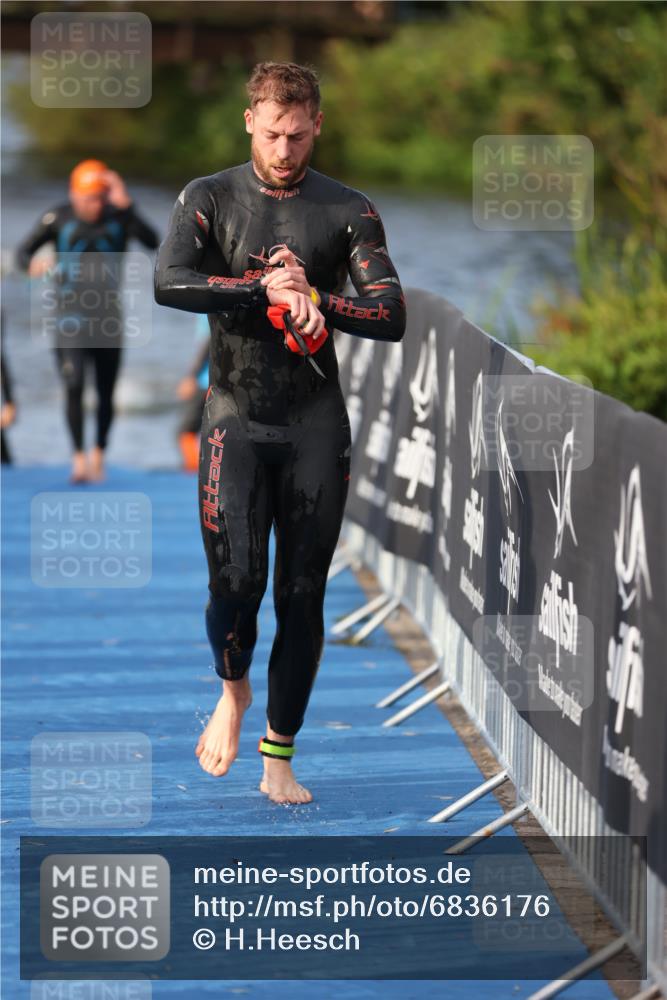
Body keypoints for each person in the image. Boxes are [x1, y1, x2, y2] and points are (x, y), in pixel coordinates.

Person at [154, 61, 405, 804]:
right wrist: (257, 287)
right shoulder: (209, 197)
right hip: (234, 416)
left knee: (301, 594)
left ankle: (279, 755)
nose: (284, 150)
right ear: (249, 123)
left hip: (314, 425)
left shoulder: (348, 211)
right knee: (236, 584)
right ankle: (232, 690)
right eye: (271, 135)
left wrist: (318, 298)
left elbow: (390, 313)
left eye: (297, 136)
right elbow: (168, 281)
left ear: (316, 125)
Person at [16, 160, 159, 483]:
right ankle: (78, 459)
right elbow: (23, 253)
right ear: (73, 194)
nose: (93, 205)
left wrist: (126, 203)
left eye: (98, 198)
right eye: (87, 198)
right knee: (74, 383)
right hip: (68, 318)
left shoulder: (120, 217)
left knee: (106, 391)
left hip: (109, 318)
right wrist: (33, 266)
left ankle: (99, 455)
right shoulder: (58, 217)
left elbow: (153, 241)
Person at [176, 313, 210, 472]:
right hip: (217, 380)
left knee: (185, 431)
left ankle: (195, 469)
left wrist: (191, 377)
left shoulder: (207, 309)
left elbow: (209, 343)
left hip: (204, 381)